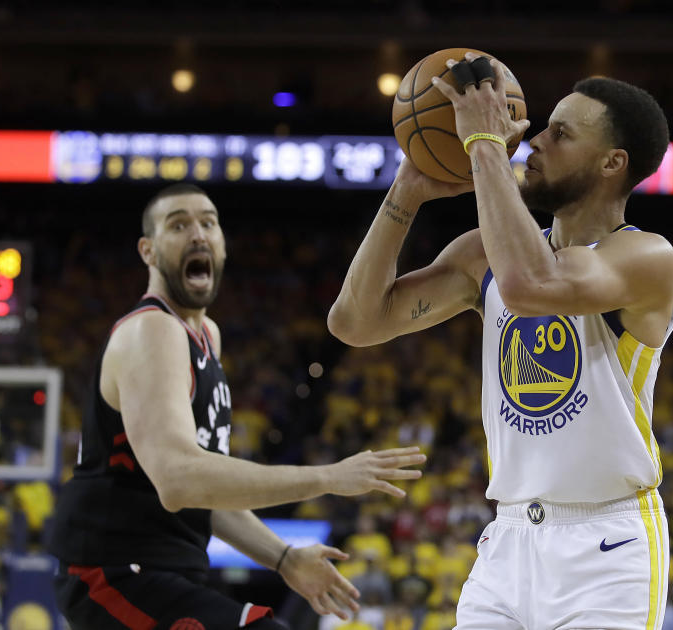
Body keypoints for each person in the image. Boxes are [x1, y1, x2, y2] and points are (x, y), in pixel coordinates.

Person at [328, 54, 673, 630]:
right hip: (510, 537)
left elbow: (530, 284)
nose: (534, 141)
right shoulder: (482, 254)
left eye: (560, 134)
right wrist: (407, 193)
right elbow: (355, 324)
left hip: (609, 544)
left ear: (613, 162)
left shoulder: (645, 257)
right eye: (542, 126)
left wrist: (484, 142)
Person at [49, 183, 426, 630]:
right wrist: (327, 477)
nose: (198, 234)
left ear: (223, 246)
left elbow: (208, 492)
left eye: (209, 222)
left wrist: (284, 559)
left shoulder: (207, 336)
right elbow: (179, 479)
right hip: (113, 573)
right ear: (147, 251)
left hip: (163, 572)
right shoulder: (152, 330)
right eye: (179, 224)